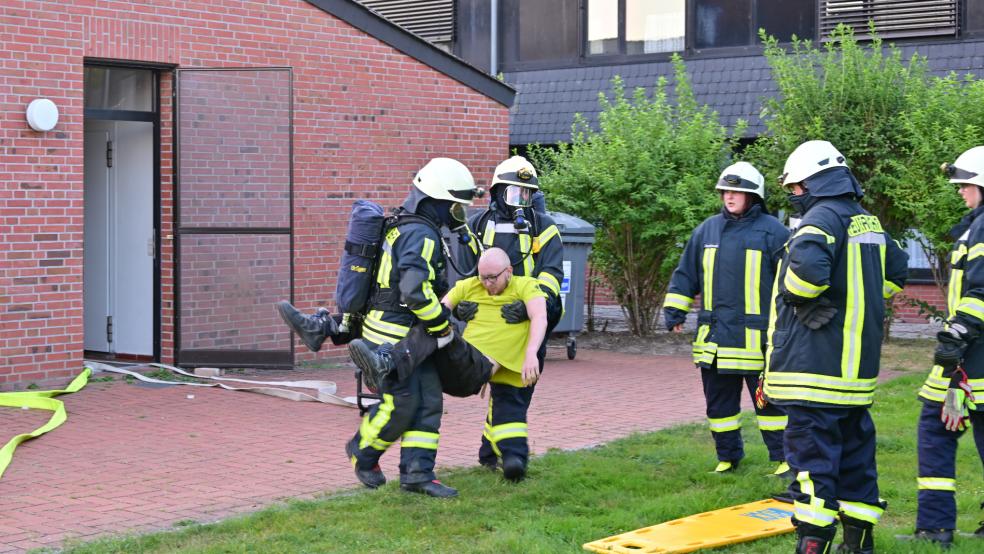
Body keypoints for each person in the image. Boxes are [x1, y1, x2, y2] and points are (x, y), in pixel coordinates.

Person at [763, 140, 908, 554]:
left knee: (811, 469)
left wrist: (804, 297)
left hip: (812, 371)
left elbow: (805, 276)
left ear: (812, 183)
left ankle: (812, 546)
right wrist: (849, 299)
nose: (794, 196)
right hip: (855, 374)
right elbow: (893, 273)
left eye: (795, 188)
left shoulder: (820, 218)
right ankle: (858, 545)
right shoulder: (869, 222)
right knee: (857, 465)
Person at [333, 157, 479, 498]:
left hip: (404, 335)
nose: (460, 212)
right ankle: (363, 450)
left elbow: (422, 282)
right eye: (456, 207)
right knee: (402, 403)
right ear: (438, 202)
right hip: (395, 338)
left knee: (427, 403)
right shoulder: (422, 234)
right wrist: (443, 325)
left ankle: (417, 475)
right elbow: (414, 292)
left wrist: (460, 232)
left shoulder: (408, 226)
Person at [348, 247, 548, 482]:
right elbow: (441, 308)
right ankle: (388, 362)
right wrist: (453, 314)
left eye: (493, 277)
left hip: (478, 368)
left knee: (438, 332)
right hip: (462, 359)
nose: (487, 283)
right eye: (483, 277)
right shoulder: (470, 285)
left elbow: (539, 316)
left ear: (509, 271)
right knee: (434, 325)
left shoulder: (526, 286)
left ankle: (387, 361)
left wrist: (531, 353)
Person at [662, 161, 791, 477]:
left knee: (770, 404)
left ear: (754, 197)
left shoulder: (774, 232)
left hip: (757, 341)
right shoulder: (707, 229)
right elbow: (686, 273)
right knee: (719, 406)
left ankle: (786, 458)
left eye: (738, 192)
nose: (730, 197)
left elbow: (791, 280)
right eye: (726, 191)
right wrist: (674, 310)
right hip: (715, 341)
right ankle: (728, 457)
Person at [902, 146, 984, 547]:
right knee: (938, 427)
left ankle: (936, 529)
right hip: (968, 361)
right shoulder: (976, 225)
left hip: (971, 357)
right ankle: (936, 527)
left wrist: (956, 334)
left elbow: (983, 290)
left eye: (966, 184)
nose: (960, 191)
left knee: (936, 431)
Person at [458, 156, 564, 369]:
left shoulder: (544, 227)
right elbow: (466, 277)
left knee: (514, 392)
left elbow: (550, 276)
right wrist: (461, 306)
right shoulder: (476, 226)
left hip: (524, 322)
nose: (520, 200)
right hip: (488, 321)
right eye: (514, 193)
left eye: (526, 194)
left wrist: (531, 307)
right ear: (498, 193)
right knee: (477, 379)